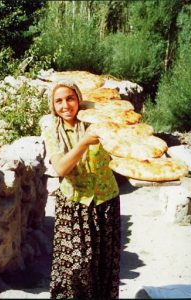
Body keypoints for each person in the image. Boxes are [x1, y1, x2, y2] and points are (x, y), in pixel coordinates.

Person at [42, 79, 121, 299]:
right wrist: (84, 142)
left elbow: (118, 121)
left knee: (103, 268)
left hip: (106, 202)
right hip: (74, 205)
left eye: (70, 98)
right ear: (53, 105)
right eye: (58, 101)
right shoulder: (53, 132)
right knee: (74, 269)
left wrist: (92, 110)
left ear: (79, 99)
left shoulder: (98, 123)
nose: (65, 105)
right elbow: (61, 168)